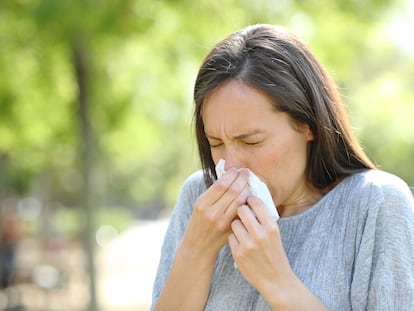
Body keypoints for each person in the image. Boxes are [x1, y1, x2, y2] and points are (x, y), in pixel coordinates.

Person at [150, 24, 414, 310]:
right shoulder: (199, 200)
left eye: (251, 142)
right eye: (216, 143)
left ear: (307, 124)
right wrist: (197, 250)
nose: (231, 165)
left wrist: (277, 282)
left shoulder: (375, 204)